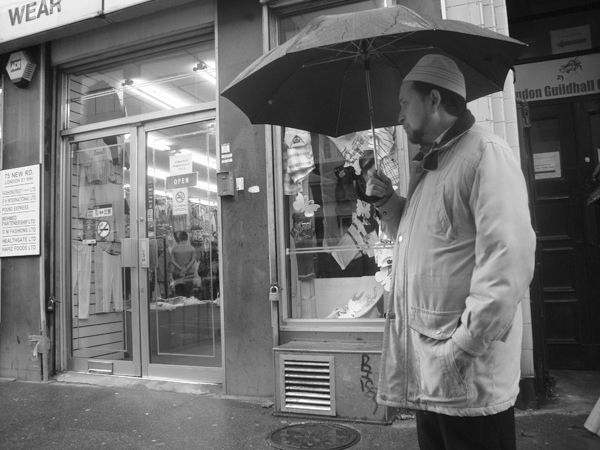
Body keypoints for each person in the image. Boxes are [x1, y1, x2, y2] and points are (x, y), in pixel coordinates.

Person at [366, 54, 536, 450]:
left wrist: (462, 348)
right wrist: (388, 201)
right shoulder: (432, 164)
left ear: (435, 100)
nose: (401, 116)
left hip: (468, 376)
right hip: (433, 371)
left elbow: (507, 261)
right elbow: (422, 238)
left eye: (405, 104)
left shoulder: (484, 154)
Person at [170, 231, 196, 297]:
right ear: (187, 238)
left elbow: (172, 261)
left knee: (179, 294)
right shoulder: (192, 248)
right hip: (189, 273)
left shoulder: (174, 249)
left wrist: (181, 269)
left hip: (178, 273)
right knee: (188, 294)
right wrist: (186, 269)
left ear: (179, 238)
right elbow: (193, 261)